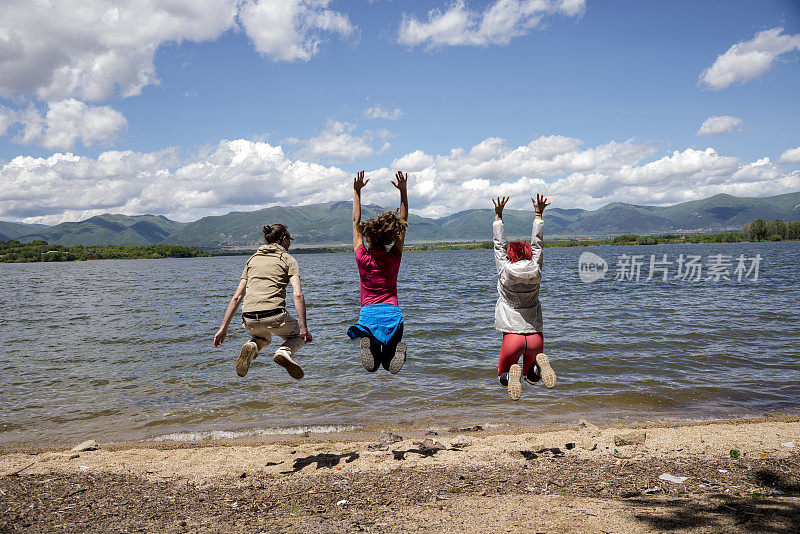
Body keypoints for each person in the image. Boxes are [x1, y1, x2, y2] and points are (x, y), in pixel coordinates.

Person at [213, 223, 312, 380]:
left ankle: (253, 345)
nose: (290, 243)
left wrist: (223, 328)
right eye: (289, 240)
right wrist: (304, 328)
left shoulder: (252, 259)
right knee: (297, 337)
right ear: (285, 239)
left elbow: (237, 297)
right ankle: (283, 352)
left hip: (249, 317)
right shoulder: (288, 259)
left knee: (262, 339)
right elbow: (298, 294)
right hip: (275, 315)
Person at [492, 194, 556, 400]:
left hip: (512, 337)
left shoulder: (504, 270)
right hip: (535, 337)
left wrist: (498, 215)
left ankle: (512, 373)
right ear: (529, 254)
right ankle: (536, 369)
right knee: (532, 378)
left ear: (509, 255)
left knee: (503, 377)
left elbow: (498, 245)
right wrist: (538, 214)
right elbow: (538, 244)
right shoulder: (535, 268)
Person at [347, 170, 409, 374]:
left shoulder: (362, 258)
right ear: (390, 237)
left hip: (368, 315)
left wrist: (357, 192)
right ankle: (397, 351)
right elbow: (403, 222)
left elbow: (356, 223)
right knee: (390, 365)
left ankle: (367, 341)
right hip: (392, 314)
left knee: (373, 367)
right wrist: (403, 191)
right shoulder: (393, 258)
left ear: (370, 237)